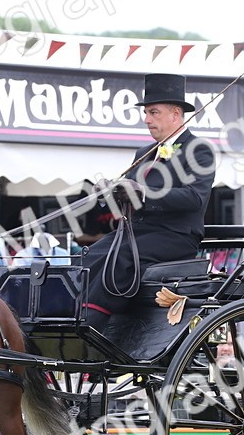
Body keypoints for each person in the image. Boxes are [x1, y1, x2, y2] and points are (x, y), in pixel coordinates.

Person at [80, 73, 216, 332]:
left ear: (175, 114)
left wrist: (143, 191)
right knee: (90, 255)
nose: (146, 119)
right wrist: (111, 193)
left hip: (175, 237)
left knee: (119, 257)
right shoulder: (144, 153)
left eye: (153, 112)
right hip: (137, 233)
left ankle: (92, 326)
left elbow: (194, 198)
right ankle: (72, 315)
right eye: (146, 113)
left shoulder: (199, 150)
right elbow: (130, 198)